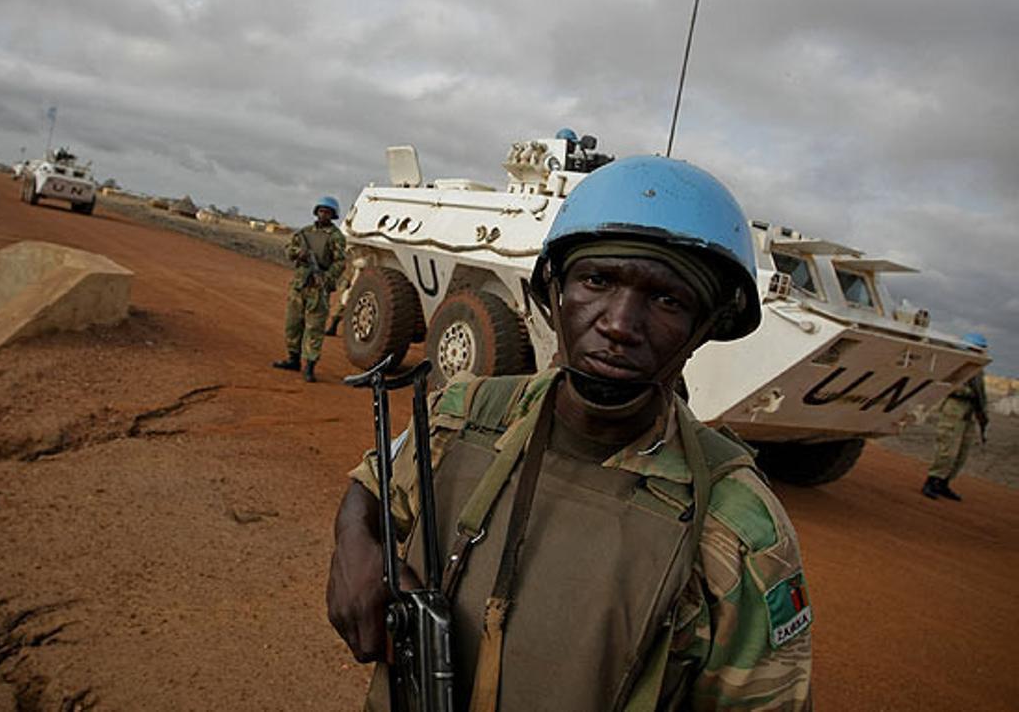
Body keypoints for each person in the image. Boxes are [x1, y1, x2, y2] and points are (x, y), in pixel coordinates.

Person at [326, 156, 813, 710]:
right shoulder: (463, 414)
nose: (620, 325)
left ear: (704, 328)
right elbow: (374, 485)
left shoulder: (735, 526)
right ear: (552, 292)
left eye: (668, 299)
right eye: (597, 280)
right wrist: (354, 544)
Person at [272, 196, 346, 382]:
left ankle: (310, 366)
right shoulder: (304, 233)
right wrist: (300, 253)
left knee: (314, 328)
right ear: (316, 212)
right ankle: (293, 359)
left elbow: (340, 262)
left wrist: (326, 278)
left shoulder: (336, 237)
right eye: (321, 211)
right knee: (293, 324)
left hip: (318, 288)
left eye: (328, 212)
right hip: (299, 285)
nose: (323, 215)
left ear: (333, 215)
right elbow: (289, 250)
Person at [922, 333, 990, 501]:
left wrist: (982, 413)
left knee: (961, 452)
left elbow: (981, 394)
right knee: (947, 450)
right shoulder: (957, 364)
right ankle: (932, 481)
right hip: (955, 409)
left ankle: (944, 483)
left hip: (969, 412)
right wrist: (966, 392)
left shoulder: (977, 370)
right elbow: (948, 385)